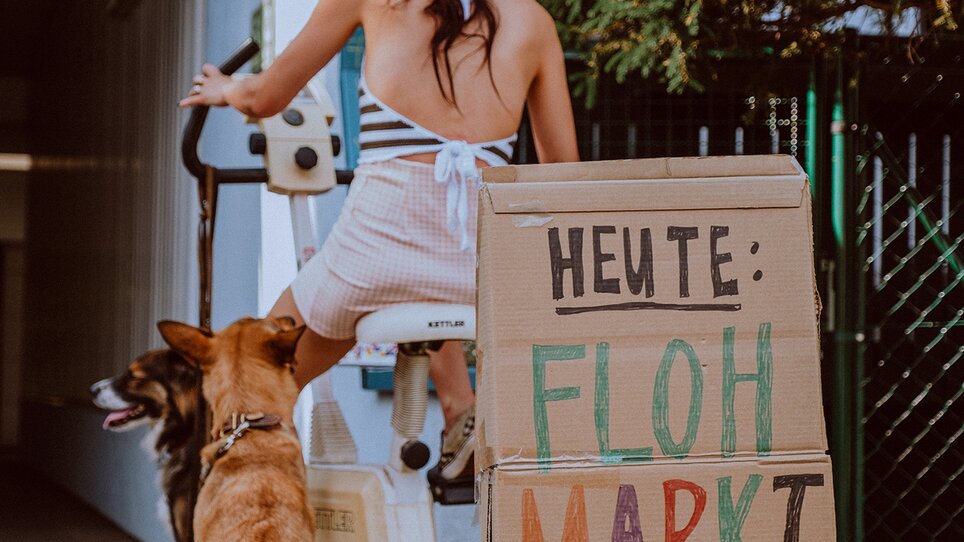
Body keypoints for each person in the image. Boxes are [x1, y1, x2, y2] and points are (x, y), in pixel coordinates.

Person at [179, 0, 578, 489]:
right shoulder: (533, 22)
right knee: (435, 266)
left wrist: (225, 89)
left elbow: (264, 98)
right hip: (479, 274)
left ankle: (264, 501)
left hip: (371, 263)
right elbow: (562, 173)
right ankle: (460, 409)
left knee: (258, 384)